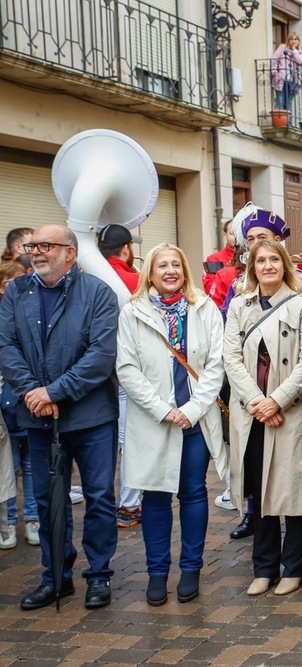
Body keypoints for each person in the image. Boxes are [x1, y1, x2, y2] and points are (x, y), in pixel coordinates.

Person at [0, 224, 120, 610]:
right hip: (37, 415)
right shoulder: (17, 291)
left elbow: (101, 356)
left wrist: (55, 391)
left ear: (70, 252)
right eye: (33, 245)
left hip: (91, 416)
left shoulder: (97, 292)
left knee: (99, 497)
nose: (36, 252)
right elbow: (6, 345)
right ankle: (56, 577)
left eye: (46, 246)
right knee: (48, 498)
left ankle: (99, 576)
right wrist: (34, 393)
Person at [117, 244, 228, 605]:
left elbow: (216, 363)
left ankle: (191, 568)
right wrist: (163, 410)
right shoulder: (132, 313)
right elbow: (127, 369)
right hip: (154, 420)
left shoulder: (204, 308)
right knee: (155, 495)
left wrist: (193, 409)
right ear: (149, 273)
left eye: (176, 265)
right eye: (162, 265)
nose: (169, 271)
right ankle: (157, 572)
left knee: (193, 492)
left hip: (194, 420)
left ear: (184, 271)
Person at [225, 240, 302, 597]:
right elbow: (230, 358)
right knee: (259, 491)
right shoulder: (239, 306)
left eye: (273, 260)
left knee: (293, 489)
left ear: (284, 266)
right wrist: (256, 401)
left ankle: (294, 568)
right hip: (253, 414)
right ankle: (263, 568)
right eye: (260, 260)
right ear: (252, 267)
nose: (267, 265)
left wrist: (277, 401)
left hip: (290, 411)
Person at [97, 223, 143, 529]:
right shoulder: (136, 280)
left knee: (101, 439)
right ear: (125, 249)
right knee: (129, 439)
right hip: (127, 371)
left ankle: (101, 505)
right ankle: (129, 505)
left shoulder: (88, 279)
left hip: (95, 373)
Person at [0, 260, 34, 549]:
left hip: (29, 403)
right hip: (5, 408)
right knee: (5, 470)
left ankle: (32, 519)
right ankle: (8, 522)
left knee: (33, 466)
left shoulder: (31, 312)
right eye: (9, 283)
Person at [270, 33, 302, 113]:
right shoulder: (282, 48)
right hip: (281, 78)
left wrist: (294, 50)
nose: (293, 41)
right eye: (291, 39)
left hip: (293, 81)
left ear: (298, 41)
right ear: (288, 40)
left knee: (289, 105)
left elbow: (300, 61)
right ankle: (280, 122)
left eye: (295, 39)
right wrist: (274, 72)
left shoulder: (300, 51)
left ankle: (289, 123)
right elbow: (274, 59)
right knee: (280, 102)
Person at [202, 219, 236, 296]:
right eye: (232, 233)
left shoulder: (251, 257)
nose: (235, 237)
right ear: (225, 235)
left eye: (239, 233)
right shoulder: (214, 260)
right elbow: (210, 288)